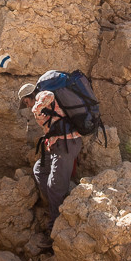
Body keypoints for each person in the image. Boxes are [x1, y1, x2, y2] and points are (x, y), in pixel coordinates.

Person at [18, 81, 83, 231]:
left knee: (54, 187)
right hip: (57, 145)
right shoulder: (41, 105)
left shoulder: (42, 95)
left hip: (67, 144)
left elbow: (49, 95)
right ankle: (59, 205)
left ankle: (55, 228)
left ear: (30, 95)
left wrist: (37, 107)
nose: (27, 105)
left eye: (25, 102)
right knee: (39, 169)